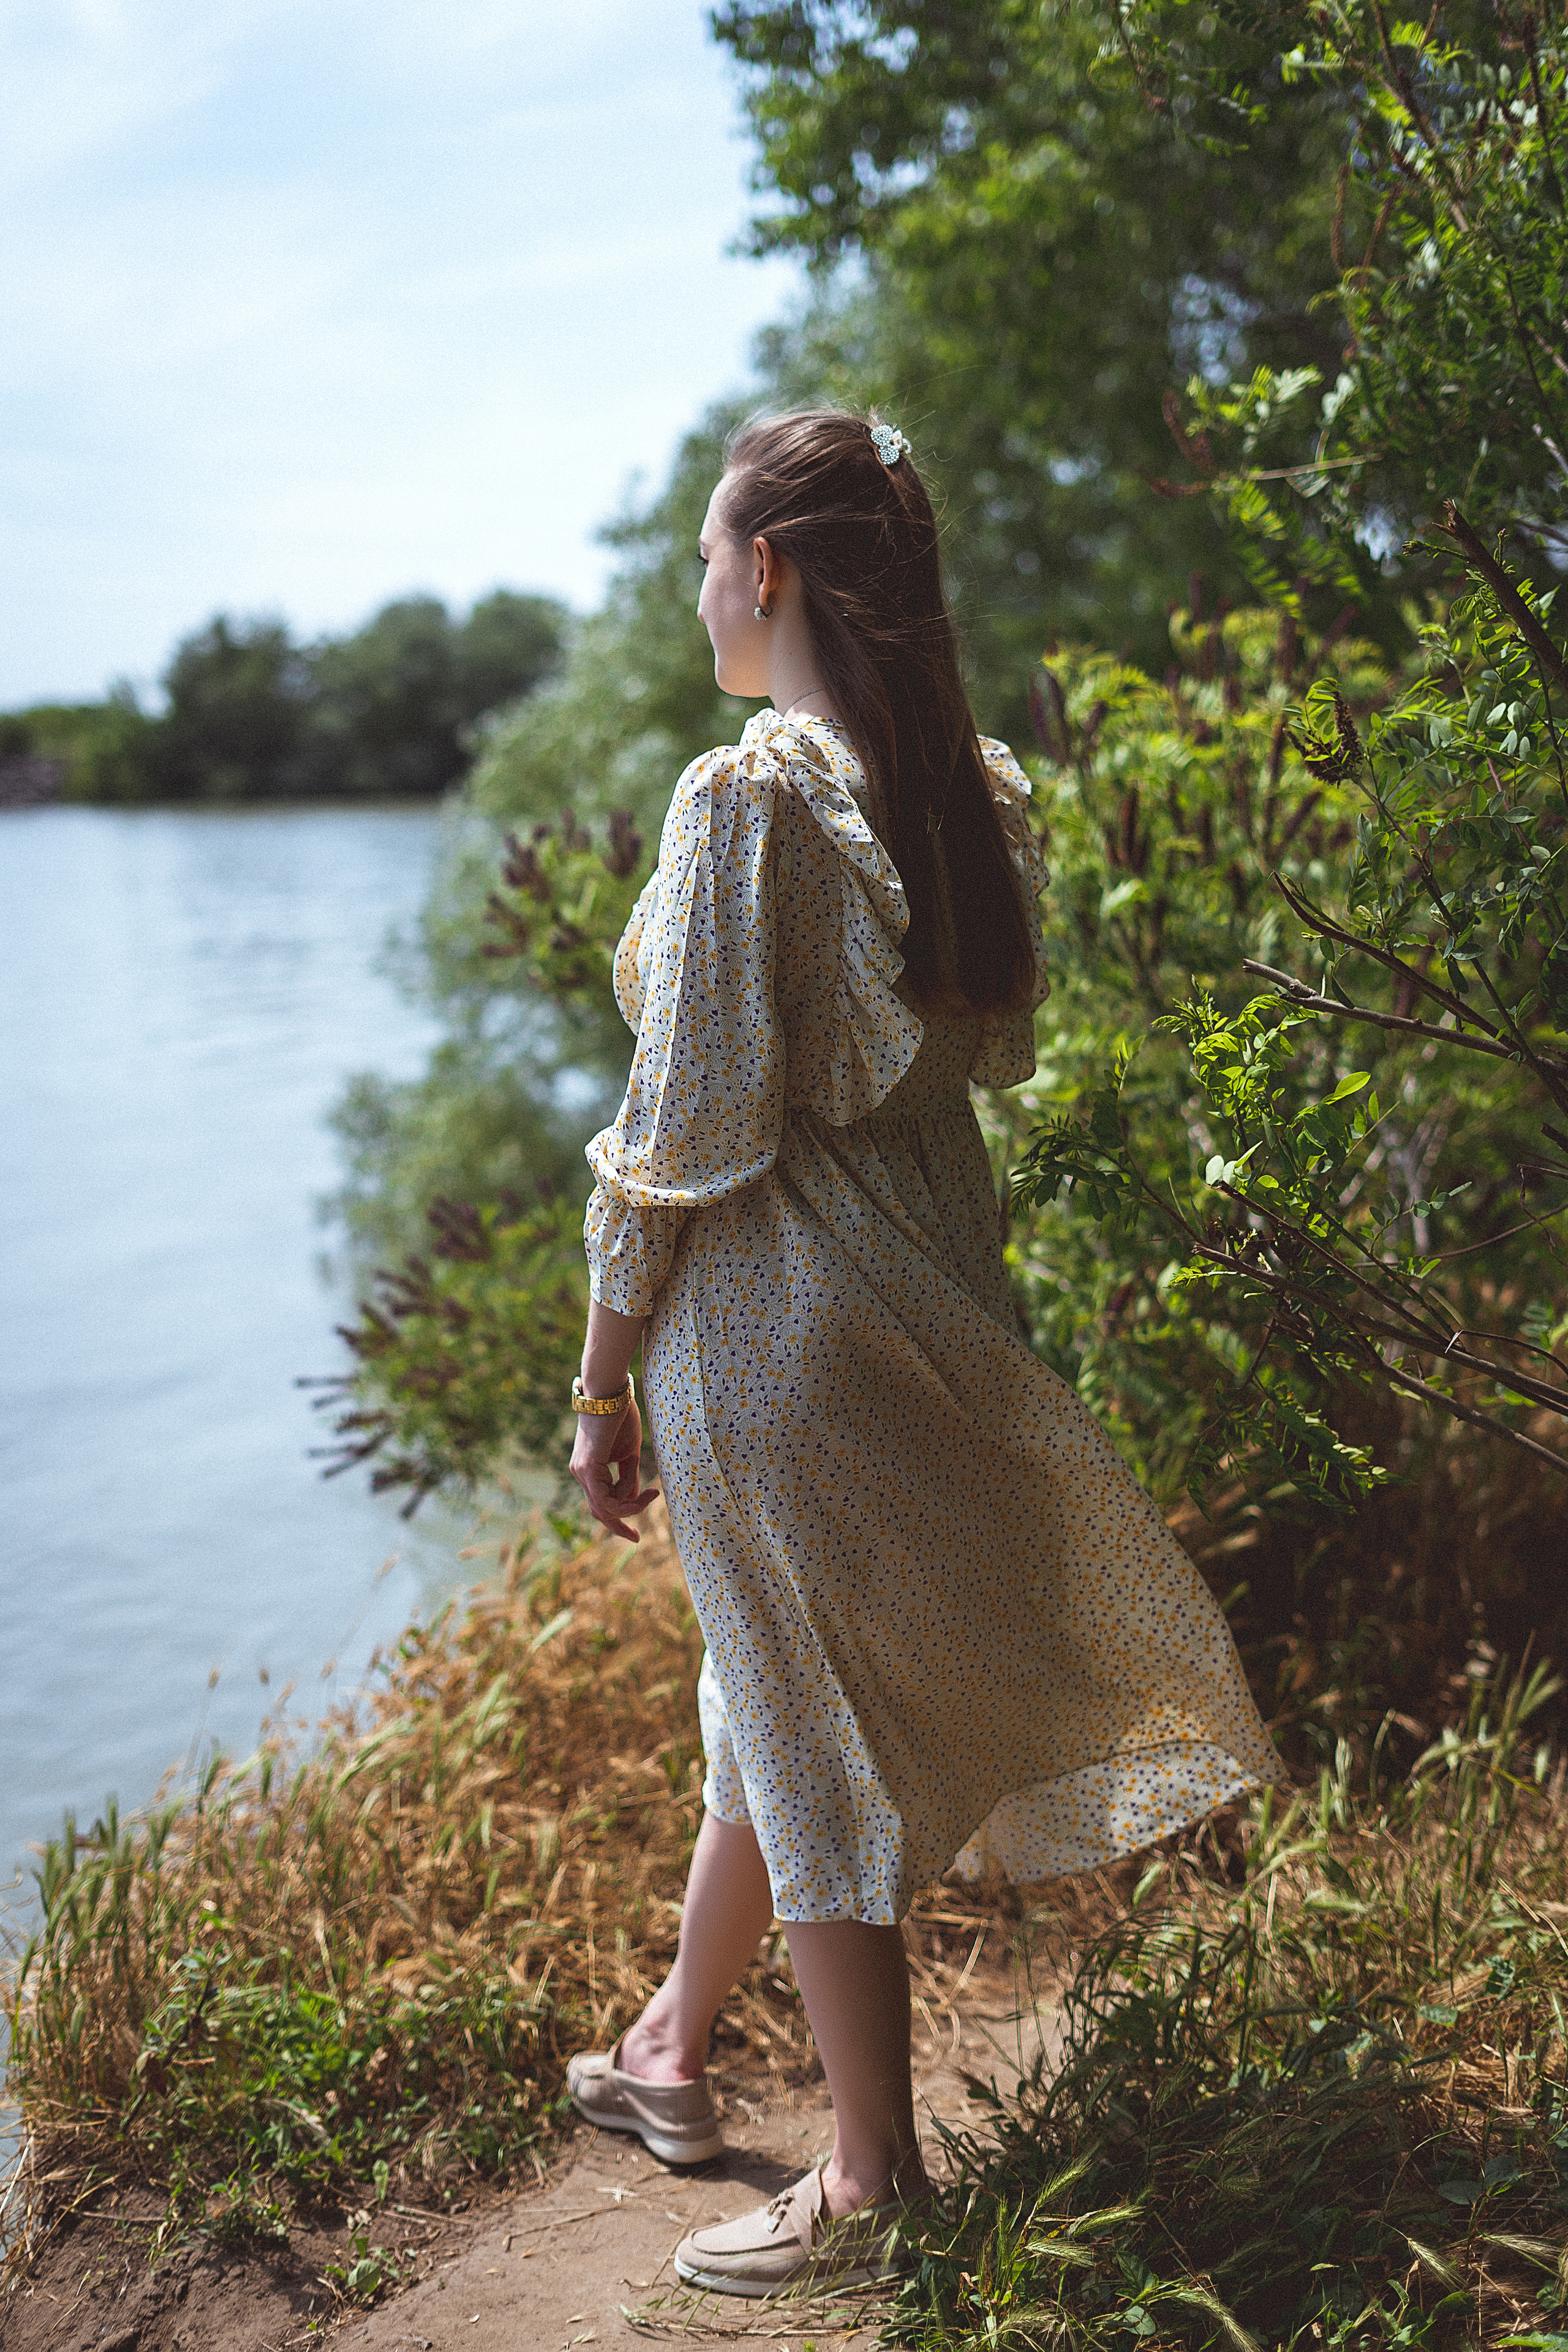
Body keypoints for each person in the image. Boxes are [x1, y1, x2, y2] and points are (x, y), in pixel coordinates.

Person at [561, 409, 1281, 2300]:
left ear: (772, 569)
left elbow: (682, 1127)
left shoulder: (747, 801)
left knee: (805, 1733)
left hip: (773, 1322)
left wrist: (599, 1373)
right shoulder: (972, 789)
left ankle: (871, 2186)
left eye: (710, 550)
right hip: (930, 1290)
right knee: (780, 1695)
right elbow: (971, 1067)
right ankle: (663, 2052)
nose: (696, 583)